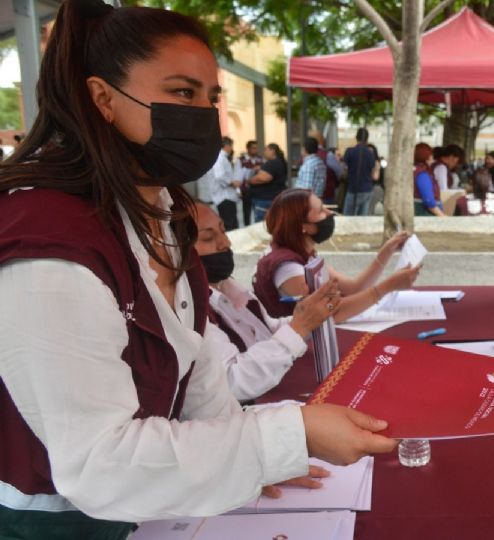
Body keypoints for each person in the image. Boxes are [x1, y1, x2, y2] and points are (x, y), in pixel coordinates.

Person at [0, 3, 396, 537]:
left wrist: (253, 460)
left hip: (144, 511)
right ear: (103, 99)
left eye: (210, 97)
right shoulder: (48, 245)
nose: (206, 115)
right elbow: (96, 464)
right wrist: (282, 437)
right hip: (48, 524)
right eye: (183, 93)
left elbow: (199, 375)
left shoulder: (160, 214)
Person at [194, 203, 340, 401]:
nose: (225, 243)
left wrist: (306, 315)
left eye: (223, 230)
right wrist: (301, 326)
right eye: (208, 237)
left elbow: (267, 329)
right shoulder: (192, 310)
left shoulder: (227, 286)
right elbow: (231, 381)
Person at [252, 188, 422, 320]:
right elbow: (332, 313)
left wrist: (386, 251)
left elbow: (353, 289)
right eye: (320, 211)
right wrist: (387, 287)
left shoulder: (303, 253)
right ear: (302, 226)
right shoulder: (288, 268)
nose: (329, 213)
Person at [208, 136, 241, 231]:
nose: (231, 148)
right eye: (231, 146)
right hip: (224, 197)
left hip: (226, 196)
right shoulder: (220, 157)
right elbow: (220, 176)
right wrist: (232, 183)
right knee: (230, 225)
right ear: (227, 145)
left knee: (231, 224)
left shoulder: (221, 157)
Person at [248, 142, 287, 222]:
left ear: (273, 151)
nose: (264, 152)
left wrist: (249, 180)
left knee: (262, 224)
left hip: (264, 200)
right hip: (270, 198)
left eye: (266, 150)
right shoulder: (277, 162)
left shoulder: (273, 163)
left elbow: (263, 178)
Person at [342, 127, 376, 216]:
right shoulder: (370, 153)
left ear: (356, 137)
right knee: (363, 219)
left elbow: (344, 169)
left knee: (348, 218)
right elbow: (373, 170)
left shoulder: (349, 151)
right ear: (367, 139)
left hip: (354, 189)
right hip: (368, 189)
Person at [235, 140, 264, 226]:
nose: (255, 150)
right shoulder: (241, 160)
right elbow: (237, 176)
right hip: (246, 190)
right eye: (253, 148)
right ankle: (247, 227)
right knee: (246, 212)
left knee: (258, 211)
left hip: (259, 190)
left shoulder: (261, 159)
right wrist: (238, 191)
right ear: (248, 149)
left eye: (256, 148)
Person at [413, 142, 445, 217]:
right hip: (426, 214)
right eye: (431, 156)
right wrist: (441, 215)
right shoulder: (422, 174)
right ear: (427, 157)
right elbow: (428, 200)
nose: (432, 159)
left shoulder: (413, 171)